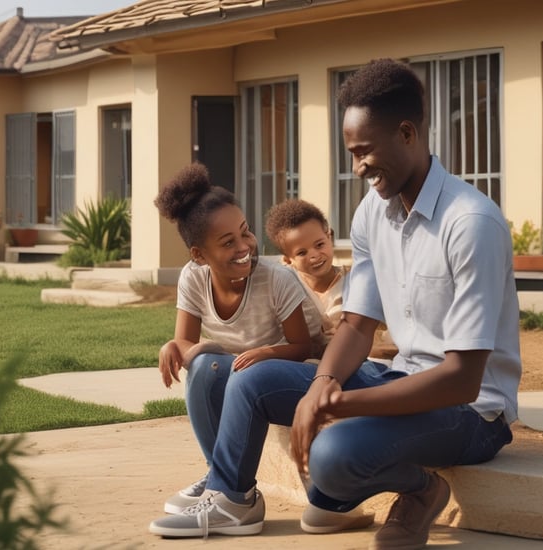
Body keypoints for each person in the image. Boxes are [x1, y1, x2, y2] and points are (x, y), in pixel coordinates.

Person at [149, 58, 521, 550]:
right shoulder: (372, 213)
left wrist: (336, 403)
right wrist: (322, 383)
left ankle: (420, 490)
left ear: (407, 133)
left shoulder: (470, 223)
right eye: (351, 152)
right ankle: (231, 498)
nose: (357, 167)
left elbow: (461, 379)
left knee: (331, 454)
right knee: (250, 378)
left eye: (365, 151)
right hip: (400, 378)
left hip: (471, 414)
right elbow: (356, 325)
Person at [153, 163, 322, 515]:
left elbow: (303, 347)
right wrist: (174, 346)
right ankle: (223, 478)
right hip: (242, 371)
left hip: (289, 372)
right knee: (204, 367)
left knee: (213, 364)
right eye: (228, 242)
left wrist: (262, 353)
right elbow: (187, 346)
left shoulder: (276, 279)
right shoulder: (193, 278)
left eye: (245, 232)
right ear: (199, 255)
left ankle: (227, 487)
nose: (245, 246)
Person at [265, 198, 397, 360]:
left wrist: (351, 336)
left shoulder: (359, 280)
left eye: (319, 245)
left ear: (330, 237)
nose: (314, 255)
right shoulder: (285, 290)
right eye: (302, 253)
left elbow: (390, 334)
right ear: (287, 260)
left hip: (357, 366)